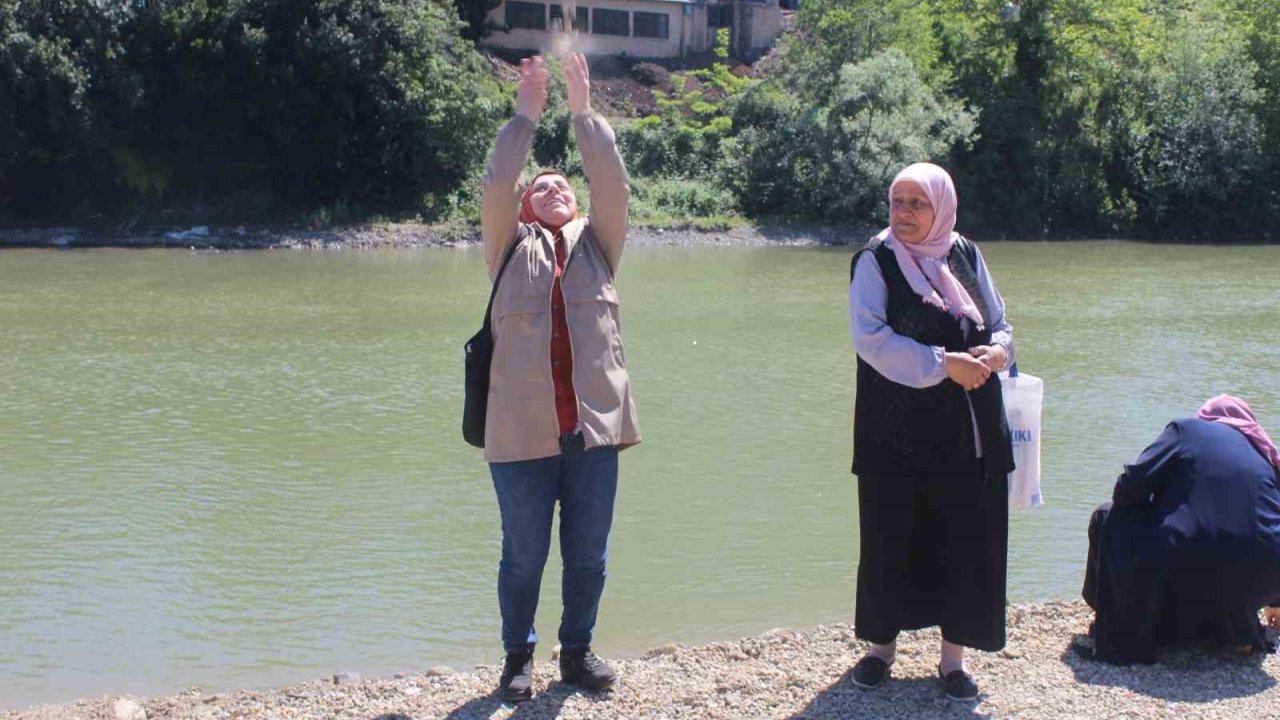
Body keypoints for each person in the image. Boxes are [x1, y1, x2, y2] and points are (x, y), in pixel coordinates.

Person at [478, 53, 640, 703]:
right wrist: (526, 113)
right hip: (520, 439)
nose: (553, 189)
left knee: (589, 557)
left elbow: (614, 187)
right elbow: (496, 183)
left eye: (561, 185)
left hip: (593, 435)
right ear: (522, 207)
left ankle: (576, 651)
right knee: (523, 557)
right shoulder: (507, 248)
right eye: (539, 186)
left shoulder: (600, 245)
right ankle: (518, 655)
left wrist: (582, 111)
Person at [847, 162, 1016, 702]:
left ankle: (953, 661)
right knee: (889, 536)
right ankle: (879, 651)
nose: (904, 214)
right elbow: (871, 340)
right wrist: (946, 363)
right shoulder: (875, 260)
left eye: (917, 204)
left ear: (941, 206)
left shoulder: (963, 252)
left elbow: (1000, 320)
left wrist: (999, 351)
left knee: (965, 539)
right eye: (898, 203)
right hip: (894, 432)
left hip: (968, 432)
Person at [1082, 395, 1280, 665]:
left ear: (1206, 417)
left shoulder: (1186, 431)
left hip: (1192, 568)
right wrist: (1276, 601)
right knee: (1232, 543)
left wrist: (1159, 502)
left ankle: (1117, 627)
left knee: (1107, 517)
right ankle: (1233, 633)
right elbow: (1269, 527)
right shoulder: (1264, 454)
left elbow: (1128, 489)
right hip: (1261, 579)